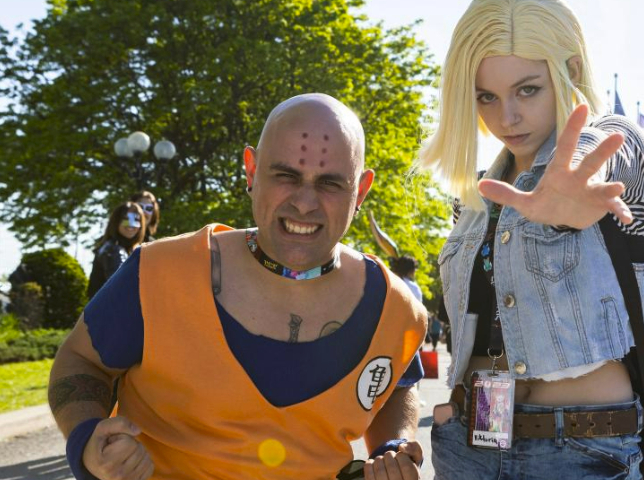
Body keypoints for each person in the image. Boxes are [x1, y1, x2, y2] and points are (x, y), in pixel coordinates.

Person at [49, 94, 427, 480]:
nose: (304, 203)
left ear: (360, 191)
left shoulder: (393, 307)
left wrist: (392, 446)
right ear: (251, 171)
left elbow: (397, 385)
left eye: (330, 183)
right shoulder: (158, 273)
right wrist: (86, 439)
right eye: (285, 176)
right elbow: (81, 360)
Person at [418, 1, 644, 477]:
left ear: (570, 70)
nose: (508, 117)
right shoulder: (475, 198)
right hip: (468, 445)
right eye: (486, 97)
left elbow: (606, 148)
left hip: (582, 448)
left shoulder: (610, 146)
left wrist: (565, 209)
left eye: (528, 89)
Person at [86, 202, 146, 300]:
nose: (131, 225)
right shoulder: (113, 249)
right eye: (126, 219)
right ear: (116, 221)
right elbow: (122, 286)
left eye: (136, 220)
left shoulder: (121, 248)